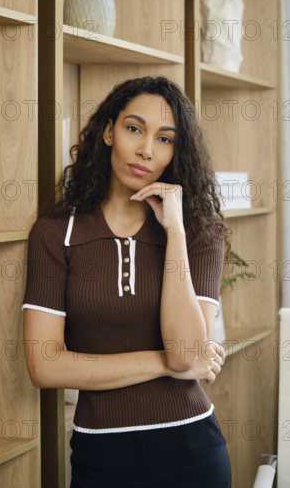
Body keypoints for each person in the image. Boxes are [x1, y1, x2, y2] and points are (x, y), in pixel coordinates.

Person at [22, 76, 232, 487]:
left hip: (193, 450)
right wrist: (169, 366)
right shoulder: (56, 232)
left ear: (177, 151)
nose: (146, 150)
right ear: (108, 131)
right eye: (134, 128)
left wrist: (174, 232)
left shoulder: (200, 234)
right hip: (101, 452)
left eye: (165, 138)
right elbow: (44, 365)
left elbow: (185, 351)